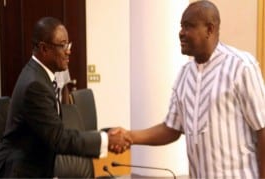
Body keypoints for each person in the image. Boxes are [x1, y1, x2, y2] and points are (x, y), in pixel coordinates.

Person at [110, 1, 265, 178]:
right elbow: (172, 128)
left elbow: (262, 127)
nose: (181, 33)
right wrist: (130, 136)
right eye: (181, 26)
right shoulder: (184, 75)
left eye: (189, 26)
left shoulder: (241, 67)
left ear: (210, 29)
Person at [0, 17, 131, 178]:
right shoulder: (35, 85)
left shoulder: (41, 76)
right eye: (62, 45)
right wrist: (105, 140)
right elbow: (58, 138)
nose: (68, 51)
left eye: (68, 44)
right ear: (44, 48)